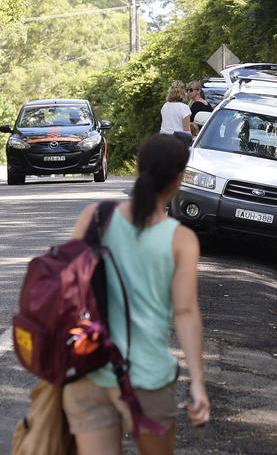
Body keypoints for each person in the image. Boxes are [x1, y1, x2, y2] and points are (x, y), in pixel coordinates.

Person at [64, 135, 210, 455]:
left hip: (89, 372)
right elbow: (185, 313)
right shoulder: (181, 240)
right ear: (178, 179)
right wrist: (197, 382)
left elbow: (65, 286)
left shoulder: (96, 217)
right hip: (147, 380)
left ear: (139, 169)